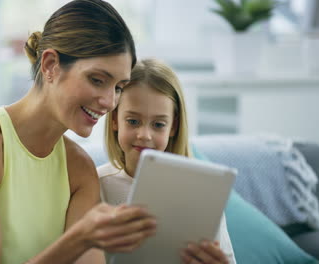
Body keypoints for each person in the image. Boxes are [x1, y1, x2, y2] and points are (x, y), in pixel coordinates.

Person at [0, 1, 157, 263]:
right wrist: (78, 240)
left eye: (118, 87)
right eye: (97, 80)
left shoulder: (79, 169)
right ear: (50, 65)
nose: (109, 102)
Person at [98, 58, 236, 264]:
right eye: (133, 121)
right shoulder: (95, 184)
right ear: (115, 120)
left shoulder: (201, 191)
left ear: (173, 127)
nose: (144, 135)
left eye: (158, 124)